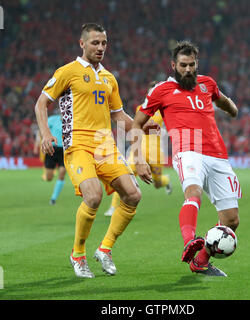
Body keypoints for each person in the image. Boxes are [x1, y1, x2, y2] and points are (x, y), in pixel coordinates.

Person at [34, 23, 158, 279]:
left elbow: (120, 117)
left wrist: (141, 135)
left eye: (104, 43)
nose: (101, 47)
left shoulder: (109, 78)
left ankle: (105, 249)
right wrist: (46, 133)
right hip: (77, 143)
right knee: (93, 196)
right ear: (82, 43)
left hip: (105, 145)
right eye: (95, 43)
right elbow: (41, 103)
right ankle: (77, 254)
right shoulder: (68, 71)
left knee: (133, 195)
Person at [132, 41, 241, 277]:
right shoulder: (161, 90)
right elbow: (136, 123)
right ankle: (190, 242)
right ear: (173, 65)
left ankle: (201, 260)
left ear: (197, 64)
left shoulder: (207, 83)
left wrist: (232, 108)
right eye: (183, 65)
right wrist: (139, 158)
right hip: (187, 150)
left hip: (218, 154)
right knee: (193, 192)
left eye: (192, 65)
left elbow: (222, 100)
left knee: (231, 220)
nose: (188, 70)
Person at [104, 81, 172, 217]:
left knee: (157, 183)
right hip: (140, 149)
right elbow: (137, 126)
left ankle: (166, 181)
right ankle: (113, 207)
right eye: (151, 92)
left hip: (156, 152)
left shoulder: (165, 109)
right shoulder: (141, 108)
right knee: (125, 177)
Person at [33, 111, 67, 205]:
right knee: (49, 177)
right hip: (52, 149)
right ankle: (50, 174)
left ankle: (53, 199)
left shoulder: (70, 121)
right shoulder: (52, 119)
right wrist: (40, 142)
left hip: (64, 150)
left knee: (62, 173)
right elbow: (41, 130)